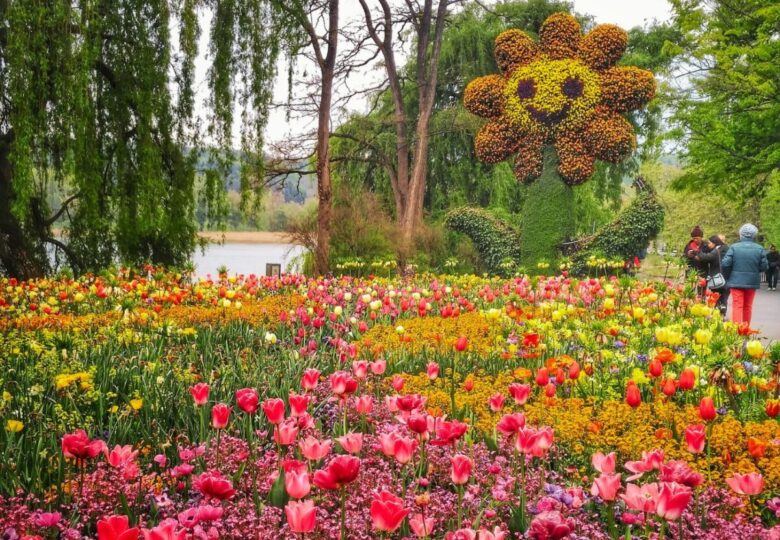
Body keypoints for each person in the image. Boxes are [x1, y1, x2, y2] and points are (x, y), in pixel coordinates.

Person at [721, 223, 769, 325]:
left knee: (737, 305)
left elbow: (725, 264)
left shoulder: (734, 247)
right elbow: (764, 266)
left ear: (741, 234)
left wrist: (729, 275)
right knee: (748, 306)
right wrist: (755, 271)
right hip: (752, 281)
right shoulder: (760, 248)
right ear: (754, 235)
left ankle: (737, 331)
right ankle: (746, 330)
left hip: (735, 280)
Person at [695, 235, 729, 316]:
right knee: (723, 297)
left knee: (718, 296)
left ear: (714, 243)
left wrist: (698, 252)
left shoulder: (716, 251)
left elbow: (706, 257)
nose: (708, 245)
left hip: (718, 278)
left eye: (709, 243)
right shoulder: (722, 249)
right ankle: (721, 313)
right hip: (724, 277)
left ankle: (719, 313)